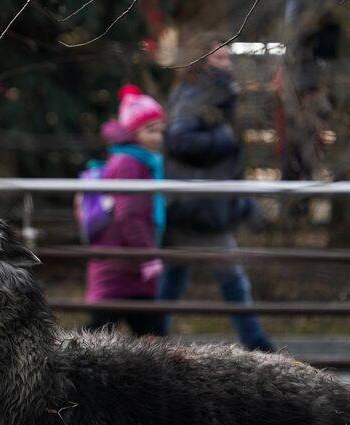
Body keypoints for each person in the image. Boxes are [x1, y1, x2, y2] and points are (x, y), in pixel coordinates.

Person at [160, 34, 276, 352]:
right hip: (198, 206)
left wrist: (242, 201)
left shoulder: (216, 95)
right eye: (219, 58)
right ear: (202, 61)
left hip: (202, 204)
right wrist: (222, 139)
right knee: (231, 278)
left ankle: (152, 338)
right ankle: (257, 345)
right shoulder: (195, 96)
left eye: (228, 58)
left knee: (176, 277)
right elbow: (179, 140)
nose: (227, 64)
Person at [84, 84, 166, 336]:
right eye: (150, 130)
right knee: (107, 332)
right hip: (124, 263)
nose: (158, 137)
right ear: (133, 132)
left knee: (106, 331)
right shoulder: (131, 163)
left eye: (160, 130)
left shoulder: (135, 161)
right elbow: (129, 214)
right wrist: (147, 256)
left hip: (122, 263)